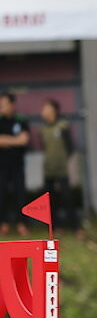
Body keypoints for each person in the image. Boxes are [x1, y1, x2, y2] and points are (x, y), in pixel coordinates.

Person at [39, 99, 79, 232]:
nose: (43, 111)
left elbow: (70, 148)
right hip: (48, 170)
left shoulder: (63, 126)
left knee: (67, 197)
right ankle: (55, 227)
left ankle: (75, 226)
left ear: (54, 110)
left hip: (62, 170)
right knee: (50, 200)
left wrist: (62, 161)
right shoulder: (43, 129)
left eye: (46, 108)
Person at [0, 92, 30, 236]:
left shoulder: (21, 120)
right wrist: (14, 140)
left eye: (4, 104)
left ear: (12, 105)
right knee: (2, 194)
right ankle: (3, 224)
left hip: (18, 164)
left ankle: (21, 224)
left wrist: (6, 140)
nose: (1, 107)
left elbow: (24, 140)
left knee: (20, 194)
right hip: (2, 165)